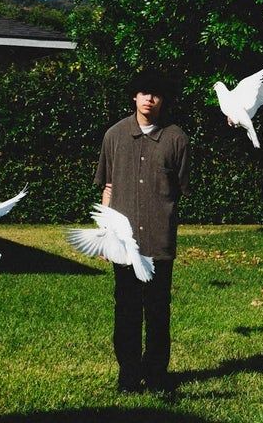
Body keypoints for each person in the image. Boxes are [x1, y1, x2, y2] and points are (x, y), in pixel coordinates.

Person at [94, 70, 190, 394]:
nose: (150, 99)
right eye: (144, 92)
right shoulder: (114, 136)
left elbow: (180, 190)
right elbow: (108, 187)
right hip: (123, 246)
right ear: (134, 96)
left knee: (158, 312)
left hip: (159, 243)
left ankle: (157, 376)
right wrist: (105, 234)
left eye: (156, 94)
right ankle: (129, 376)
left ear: (163, 100)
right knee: (126, 311)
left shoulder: (176, 139)